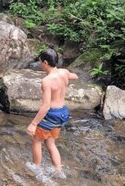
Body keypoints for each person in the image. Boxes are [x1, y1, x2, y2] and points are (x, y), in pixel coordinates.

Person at [26, 47, 78, 175]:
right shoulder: (64, 72)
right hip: (63, 112)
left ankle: (36, 167)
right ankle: (58, 170)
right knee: (50, 142)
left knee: (37, 141)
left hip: (52, 114)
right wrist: (66, 78)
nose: (39, 64)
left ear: (45, 63)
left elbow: (46, 106)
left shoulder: (47, 81)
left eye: (40, 62)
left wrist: (33, 124)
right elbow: (75, 76)